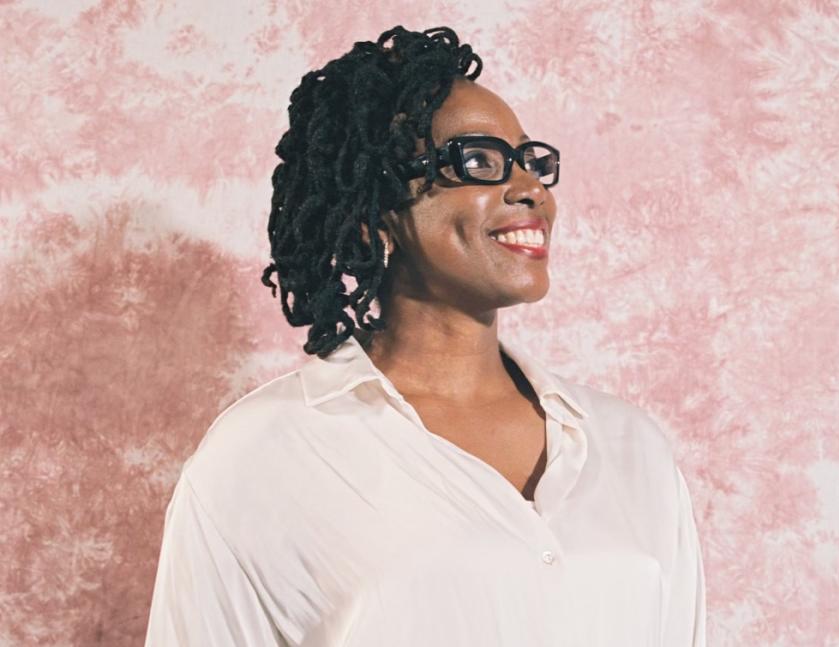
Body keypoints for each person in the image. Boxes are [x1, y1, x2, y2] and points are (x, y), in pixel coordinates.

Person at [144, 25, 706, 647]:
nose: (530, 190)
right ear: (373, 213)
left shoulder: (630, 447)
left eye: (530, 161)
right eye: (478, 161)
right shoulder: (264, 456)